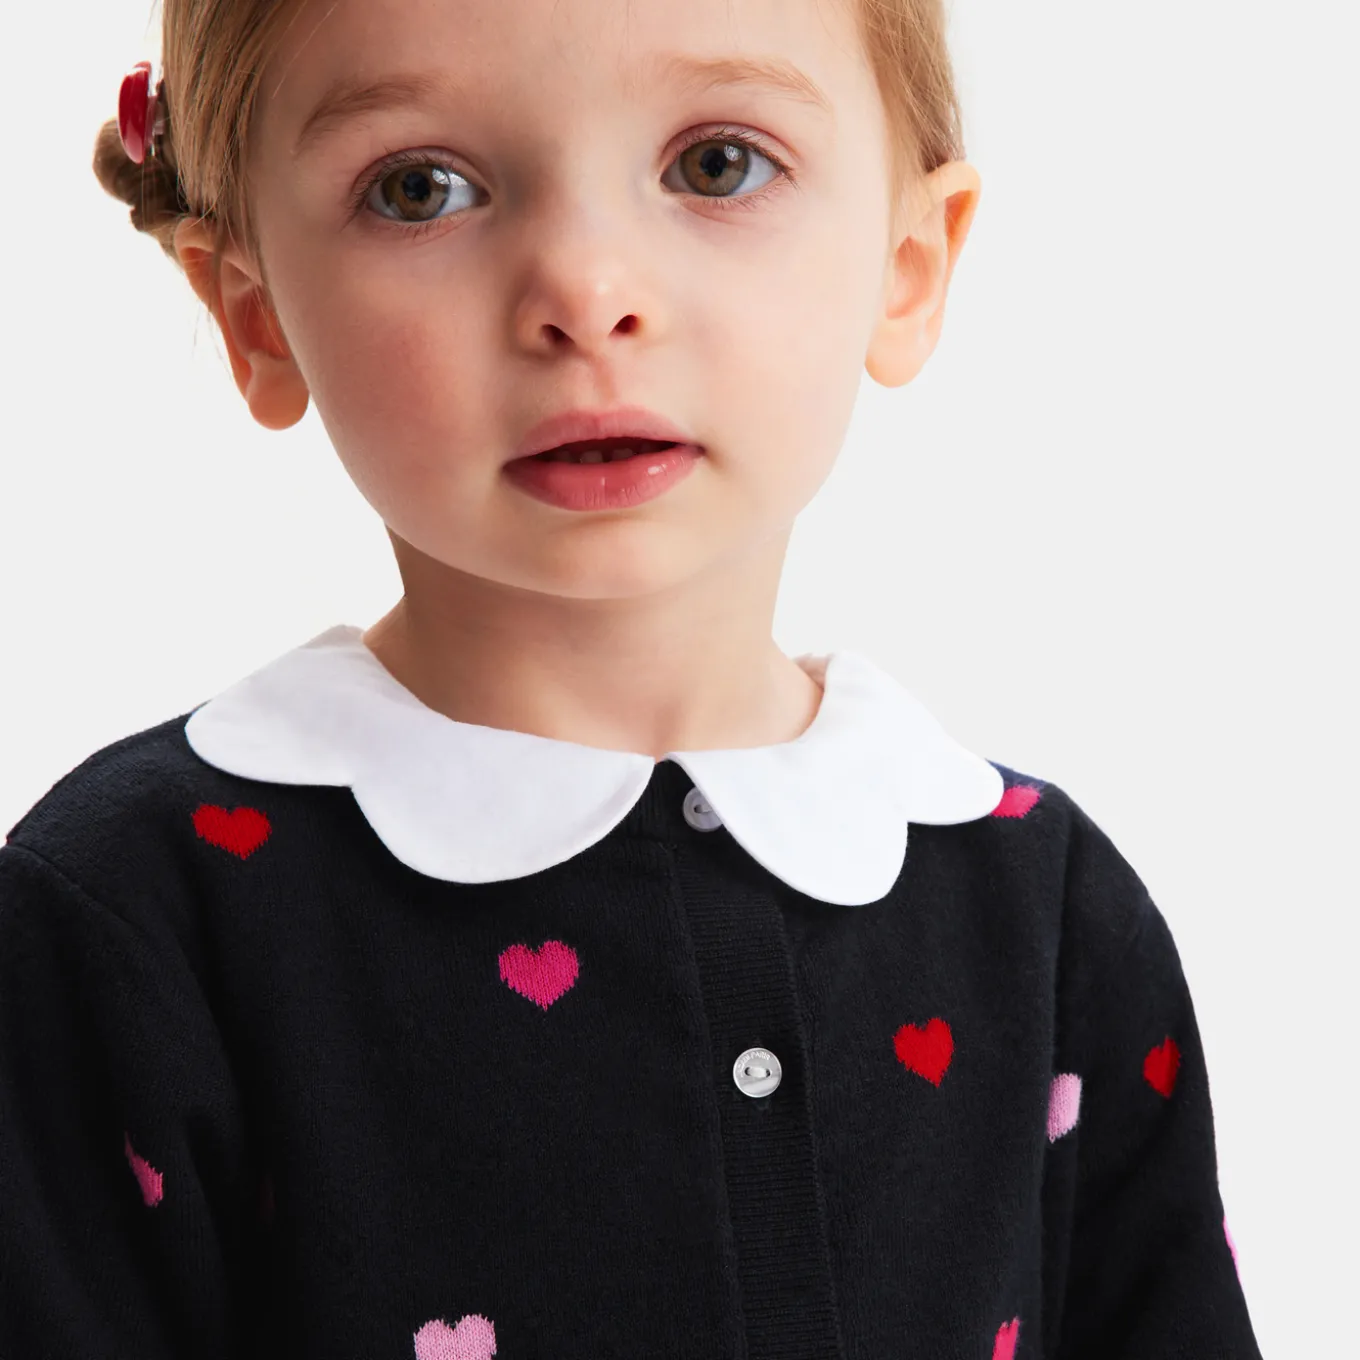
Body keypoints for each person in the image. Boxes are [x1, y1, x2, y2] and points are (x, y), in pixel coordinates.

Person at [0, 0, 1263, 1355]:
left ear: (908, 266)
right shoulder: (130, 919)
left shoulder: (1050, 916)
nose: (587, 292)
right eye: (421, 189)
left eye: (718, 164)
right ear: (253, 314)